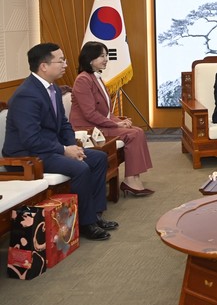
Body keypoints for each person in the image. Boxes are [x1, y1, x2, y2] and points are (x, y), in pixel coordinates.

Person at [2, 43, 118, 241]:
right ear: (44, 66)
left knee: (98, 158)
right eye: (61, 60)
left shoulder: (53, 89)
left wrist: (71, 146)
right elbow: (31, 139)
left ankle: (95, 215)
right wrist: (64, 150)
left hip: (49, 149)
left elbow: (64, 124)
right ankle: (86, 223)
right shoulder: (26, 95)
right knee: (80, 168)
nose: (66, 64)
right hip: (28, 156)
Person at [69, 41, 154, 196]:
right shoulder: (83, 80)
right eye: (102, 56)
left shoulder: (96, 78)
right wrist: (116, 124)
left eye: (106, 55)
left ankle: (134, 177)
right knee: (133, 134)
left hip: (98, 124)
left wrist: (119, 122)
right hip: (87, 129)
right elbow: (90, 114)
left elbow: (106, 111)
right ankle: (130, 180)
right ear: (90, 59)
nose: (106, 59)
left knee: (137, 131)